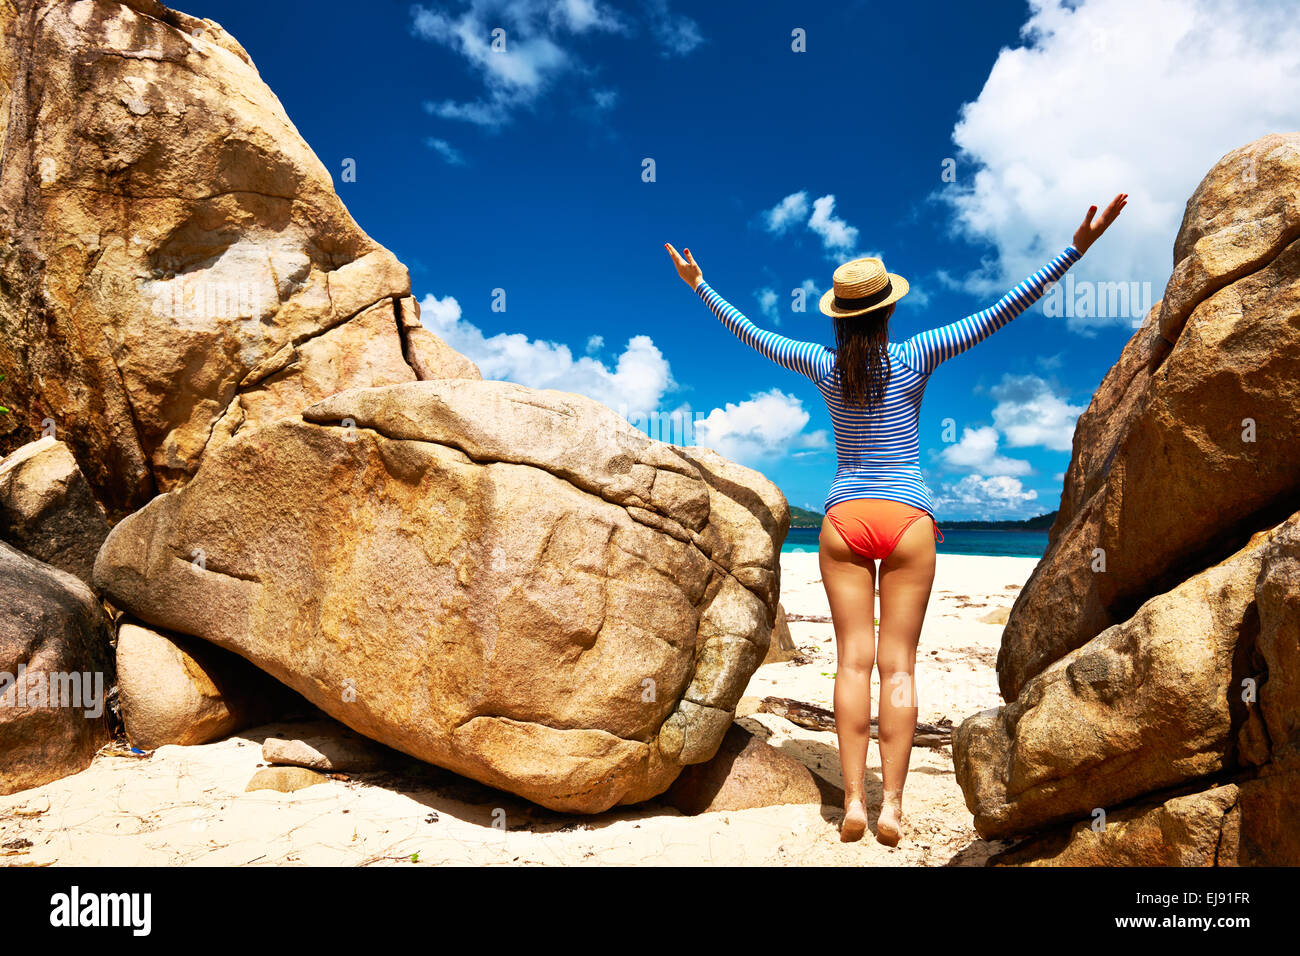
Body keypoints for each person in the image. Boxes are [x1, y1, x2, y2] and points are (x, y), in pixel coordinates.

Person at [664, 193, 1126, 846]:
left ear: (840, 318)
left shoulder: (823, 366)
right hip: (908, 519)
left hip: (843, 521)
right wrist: (1075, 248)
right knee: (899, 667)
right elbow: (1002, 311)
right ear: (887, 312)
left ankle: (852, 801)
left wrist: (701, 285)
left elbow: (754, 337)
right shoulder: (919, 354)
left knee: (852, 664)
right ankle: (893, 807)